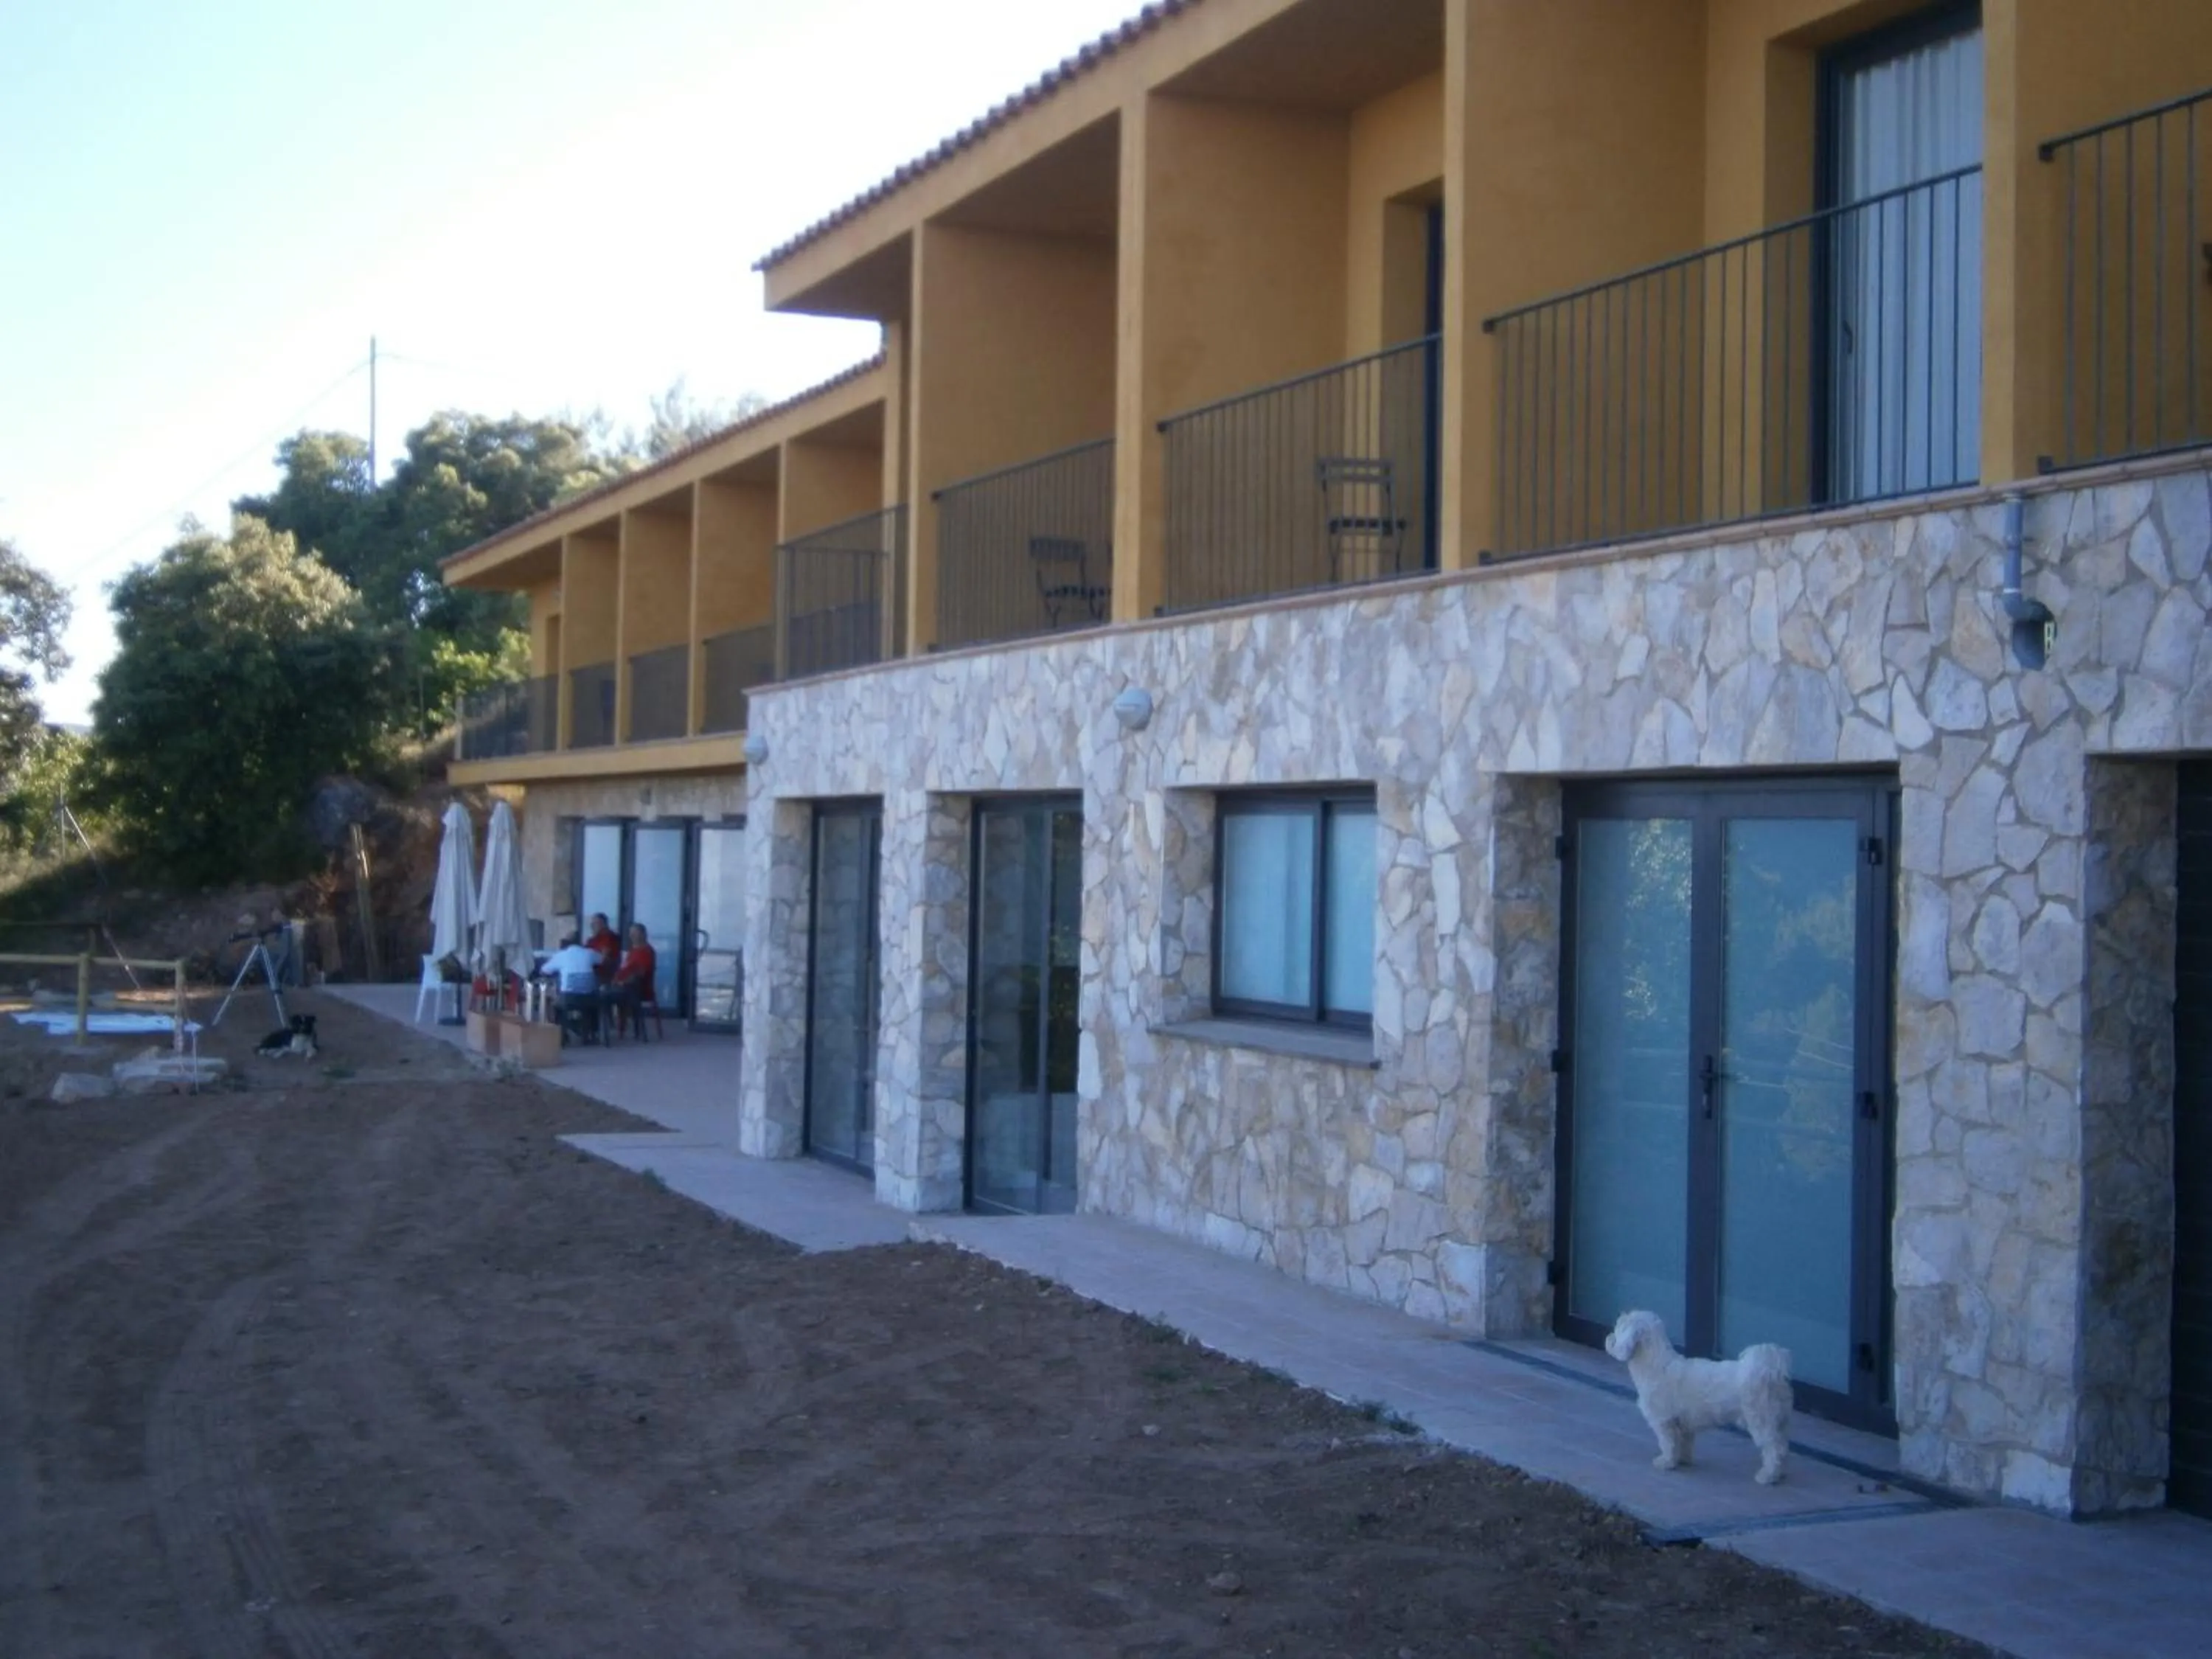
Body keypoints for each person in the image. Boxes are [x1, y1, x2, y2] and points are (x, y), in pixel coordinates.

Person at [541, 933, 606, 1044]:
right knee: (590, 1005)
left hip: (569, 998)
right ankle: (590, 1033)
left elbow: (545, 970)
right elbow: (602, 960)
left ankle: (562, 1034)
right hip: (590, 998)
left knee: (555, 1005)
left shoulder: (561, 955)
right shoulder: (589, 953)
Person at [601, 923, 658, 1037]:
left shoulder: (646, 951)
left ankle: (612, 1031)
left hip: (637, 989)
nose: (632, 936)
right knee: (602, 992)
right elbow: (625, 968)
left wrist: (623, 982)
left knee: (605, 996)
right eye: (631, 933)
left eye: (635, 933)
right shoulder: (632, 951)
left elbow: (640, 973)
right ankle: (611, 1029)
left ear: (643, 935)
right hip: (625, 987)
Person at [583, 913, 622, 985]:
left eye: (596, 923)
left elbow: (605, 956)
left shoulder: (610, 938)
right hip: (591, 974)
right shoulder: (592, 940)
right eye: (592, 923)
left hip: (605, 975)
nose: (592, 926)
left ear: (604, 924)